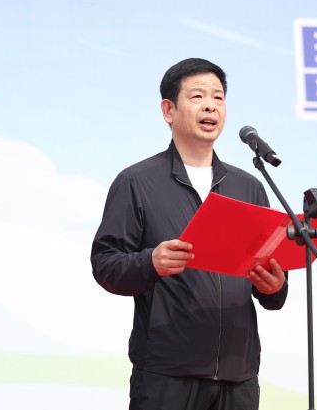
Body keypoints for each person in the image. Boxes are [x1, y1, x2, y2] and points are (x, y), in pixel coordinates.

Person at [91, 58, 288, 410]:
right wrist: (150, 262)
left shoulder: (249, 187)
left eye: (218, 97)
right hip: (167, 376)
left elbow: (270, 275)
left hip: (238, 376)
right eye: (197, 96)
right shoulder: (137, 182)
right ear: (169, 110)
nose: (210, 105)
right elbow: (105, 264)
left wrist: (275, 288)